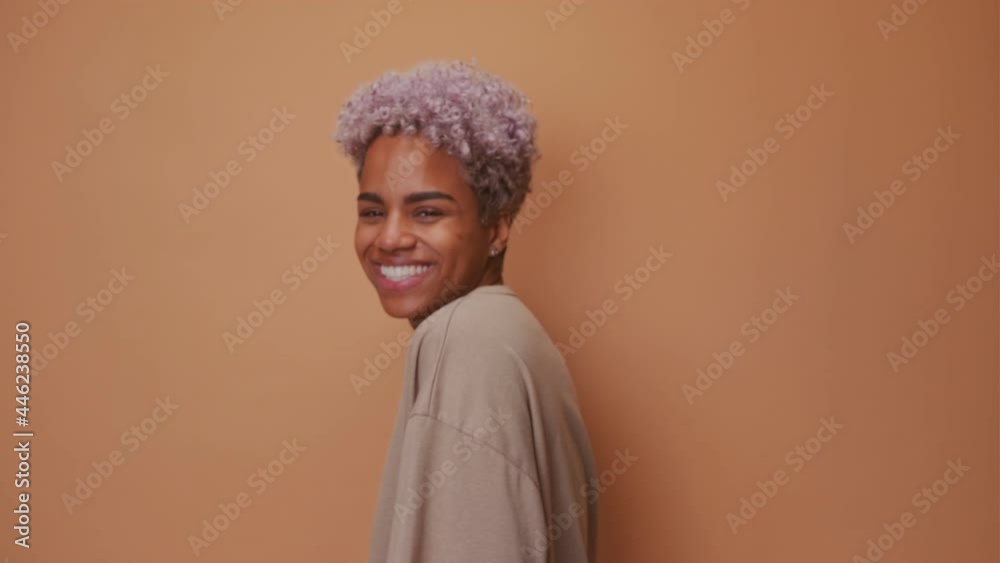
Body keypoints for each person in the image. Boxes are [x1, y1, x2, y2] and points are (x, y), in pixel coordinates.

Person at [333, 59, 598, 563]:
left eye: (427, 211)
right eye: (372, 211)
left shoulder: (465, 338)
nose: (388, 238)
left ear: (497, 229)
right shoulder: (513, 334)